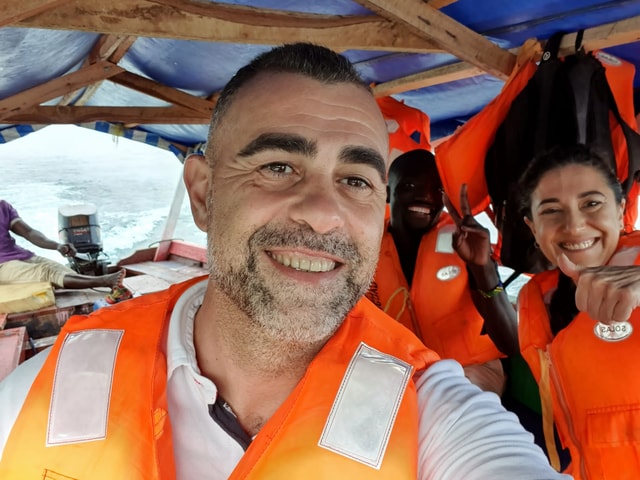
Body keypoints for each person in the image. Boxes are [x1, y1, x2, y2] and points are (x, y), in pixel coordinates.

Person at [0, 43, 568, 479]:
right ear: (203, 194)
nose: (323, 214)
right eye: (278, 166)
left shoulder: (434, 412)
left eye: (355, 180)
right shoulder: (43, 389)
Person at [517, 143, 640, 479]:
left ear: (620, 210)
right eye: (551, 211)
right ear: (533, 228)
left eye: (591, 204)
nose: (574, 225)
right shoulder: (537, 298)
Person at [366, 149, 518, 394]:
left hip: (470, 370)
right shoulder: (366, 247)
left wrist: (482, 267)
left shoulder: (465, 243)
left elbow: (511, 343)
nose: (425, 196)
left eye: (437, 189)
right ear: (387, 192)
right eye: (409, 185)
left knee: (440, 396)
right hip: (399, 372)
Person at [0, 200, 129, 301]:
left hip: (21, 256)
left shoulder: (3, 207)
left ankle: (112, 290)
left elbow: (29, 233)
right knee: (48, 272)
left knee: (66, 272)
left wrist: (58, 246)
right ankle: (106, 281)